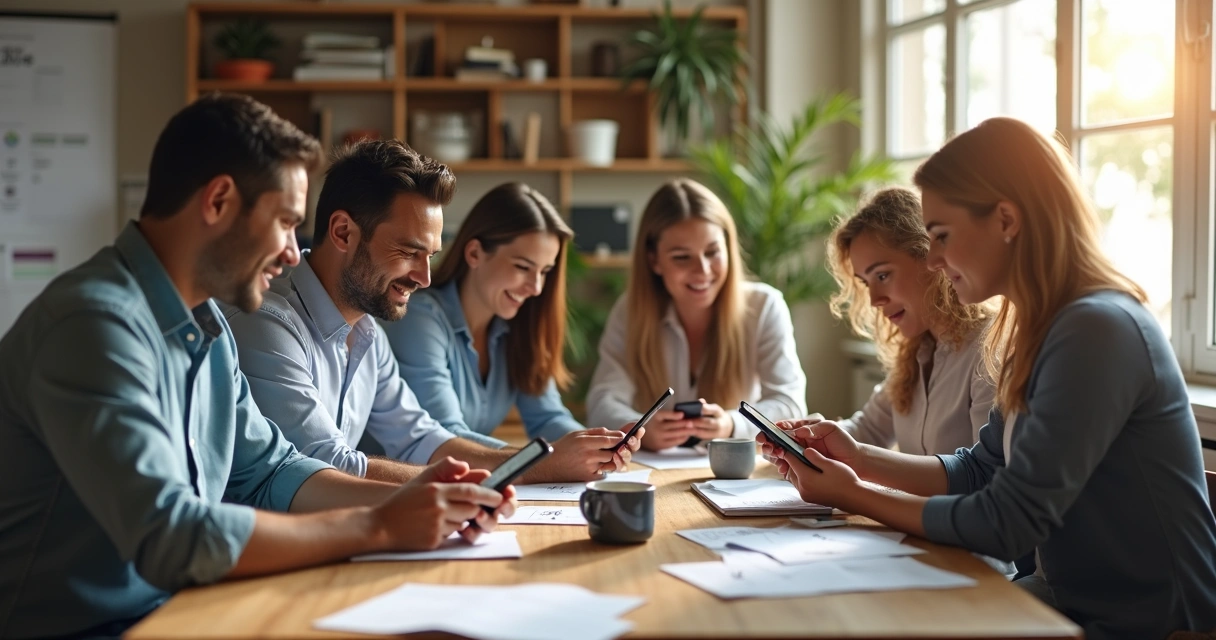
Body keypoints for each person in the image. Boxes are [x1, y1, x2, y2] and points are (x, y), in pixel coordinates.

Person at [0, 94, 514, 640]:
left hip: (180, 611)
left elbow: (270, 469)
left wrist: (418, 495)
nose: (295, 252)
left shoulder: (209, 328)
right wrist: (378, 524)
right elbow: (172, 537)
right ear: (218, 201)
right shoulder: (94, 325)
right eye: (286, 223)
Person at [761, 117, 1216, 639]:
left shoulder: (1097, 329)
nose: (932, 258)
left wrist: (853, 493)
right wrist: (857, 457)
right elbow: (980, 469)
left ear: (1006, 219)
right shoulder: (1037, 327)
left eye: (942, 236)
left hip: (1146, 624)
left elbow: (1006, 522)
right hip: (1067, 602)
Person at [226, 143, 639, 485]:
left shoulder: (369, 332)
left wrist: (552, 459)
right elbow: (326, 466)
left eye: (430, 256)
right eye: (408, 252)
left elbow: (421, 439)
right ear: (342, 233)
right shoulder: (269, 321)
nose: (425, 278)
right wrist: (538, 466)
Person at [587, 178, 807, 452]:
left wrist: (731, 424)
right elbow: (601, 401)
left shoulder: (764, 306)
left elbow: (791, 405)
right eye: (682, 257)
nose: (702, 270)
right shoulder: (630, 312)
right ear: (654, 260)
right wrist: (638, 428)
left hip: (736, 478)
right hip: (658, 473)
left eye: (713, 252)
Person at [385, 182, 610, 448]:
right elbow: (444, 435)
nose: (536, 288)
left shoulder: (519, 326)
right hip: (388, 483)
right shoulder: (420, 319)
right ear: (475, 253)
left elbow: (548, 417)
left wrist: (596, 444)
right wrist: (541, 460)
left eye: (545, 271)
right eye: (522, 267)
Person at [825, 186, 994, 455]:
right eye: (866, 283)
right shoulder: (917, 351)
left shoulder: (989, 347)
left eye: (882, 276)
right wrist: (817, 434)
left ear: (929, 255)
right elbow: (866, 430)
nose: (874, 300)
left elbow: (984, 475)